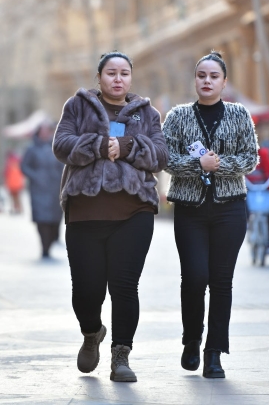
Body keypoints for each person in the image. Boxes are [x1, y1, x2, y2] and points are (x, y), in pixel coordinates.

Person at [53, 51, 168, 383]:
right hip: (85, 212)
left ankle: (121, 356)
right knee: (86, 291)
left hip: (134, 210)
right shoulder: (77, 107)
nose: (118, 79)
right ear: (99, 77)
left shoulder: (147, 113)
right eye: (111, 73)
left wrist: (129, 146)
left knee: (124, 286)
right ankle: (92, 332)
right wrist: (99, 146)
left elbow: (160, 155)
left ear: (131, 78)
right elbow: (61, 145)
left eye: (124, 73)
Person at [162, 50, 258, 379]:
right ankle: (191, 340)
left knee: (220, 281)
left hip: (229, 209)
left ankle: (214, 352)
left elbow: (250, 158)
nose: (207, 81)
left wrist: (218, 166)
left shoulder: (239, 114)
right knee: (194, 278)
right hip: (190, 210)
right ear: (195, 80)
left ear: (223, 82)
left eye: (213, 76)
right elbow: (165, 157)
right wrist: (196, 165)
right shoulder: (177, 116)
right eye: (202, 76)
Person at [21, 123, 64, 258]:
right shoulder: (32, 149)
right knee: (41, 218)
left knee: (54, 217)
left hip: (55, 188)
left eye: (48, 131)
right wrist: (36, 176)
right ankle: (44, 247)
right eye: (43, 131)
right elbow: (24, 166)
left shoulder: (56, 147)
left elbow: (63, 164)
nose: (46, 134)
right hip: (38, 189)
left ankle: (51, 241)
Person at [247, 146, 269, 255]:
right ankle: (248, 227)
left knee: (268, 214)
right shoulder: (242, 155)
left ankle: (268, 243)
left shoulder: (263, 155)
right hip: (249, 190)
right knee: (244, 208)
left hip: (264, 190)